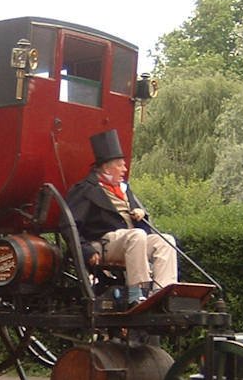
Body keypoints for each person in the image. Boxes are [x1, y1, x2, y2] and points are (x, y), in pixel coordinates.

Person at [65, 129, 178, 307]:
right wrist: (86, 250)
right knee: (137, 235)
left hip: (132, 242)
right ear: (106, 167)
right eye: (120, 165)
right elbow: (69, 225)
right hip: (103, 243)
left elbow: (139, 218)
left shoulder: (125, 189)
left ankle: (162, 292)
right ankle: (136, 293)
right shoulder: (85, 190)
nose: (125, 169)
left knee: (165, 241)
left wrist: (141, 214)